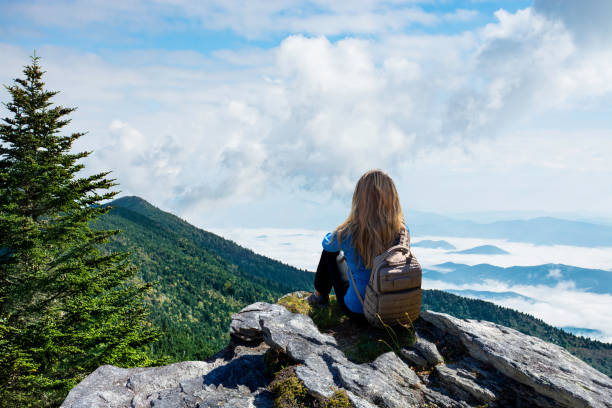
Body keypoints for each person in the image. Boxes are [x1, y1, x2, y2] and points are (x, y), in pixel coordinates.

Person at [308, 169, 408, 322]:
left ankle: (319, 297)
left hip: (359, 310)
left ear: (360, 199)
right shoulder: (403, 231)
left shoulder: (350, 231)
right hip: (394, 311)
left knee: (330, 254)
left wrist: (347, 224)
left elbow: (327, 244)